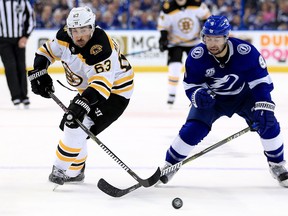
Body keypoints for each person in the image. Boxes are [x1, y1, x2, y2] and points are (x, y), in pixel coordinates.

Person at [158, 15, 288, 187]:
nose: (212, 44)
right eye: (208, 38)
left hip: (244, 97)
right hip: (213, 99)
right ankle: (170, 164)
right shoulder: (197, 56)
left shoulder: (246, 52)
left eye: (217, 39)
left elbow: (261, 83)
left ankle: (277, 164)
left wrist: (264, 106)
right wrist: (197, 95)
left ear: (227, 37)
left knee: (268, 123)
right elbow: (191, 85)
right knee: (193, 128)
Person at [27, 6, 134, 185]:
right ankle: (75, 171)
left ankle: (61, 169)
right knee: (70, 124)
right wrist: (40, 72)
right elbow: (45, 52)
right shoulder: (64, 36)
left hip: (115, 92)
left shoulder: (100, 49)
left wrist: (83, 103)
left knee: (75, 124)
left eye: (83, 30)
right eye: (74, 31)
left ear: (92, 28)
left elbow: (101, 86)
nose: (78, 36)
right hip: (89, 89)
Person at [157, 0, 211, 105]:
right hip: (175, 43)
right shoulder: (168, 8)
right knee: (175, 66)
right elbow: (163, 26)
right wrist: (163, 39)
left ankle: (202, 92)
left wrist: (207, 32)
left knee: (198, 67)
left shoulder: (196, 4)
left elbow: (207, 18)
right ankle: (171, 94)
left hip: (194, 41)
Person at [0, 0, 35, 108]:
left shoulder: (22, 2)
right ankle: (15, 96)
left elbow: (31, 19)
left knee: (21, 67)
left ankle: (24, 96)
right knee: (10, 67)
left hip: (19, 39)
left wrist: (25, 36)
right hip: (3, 40)